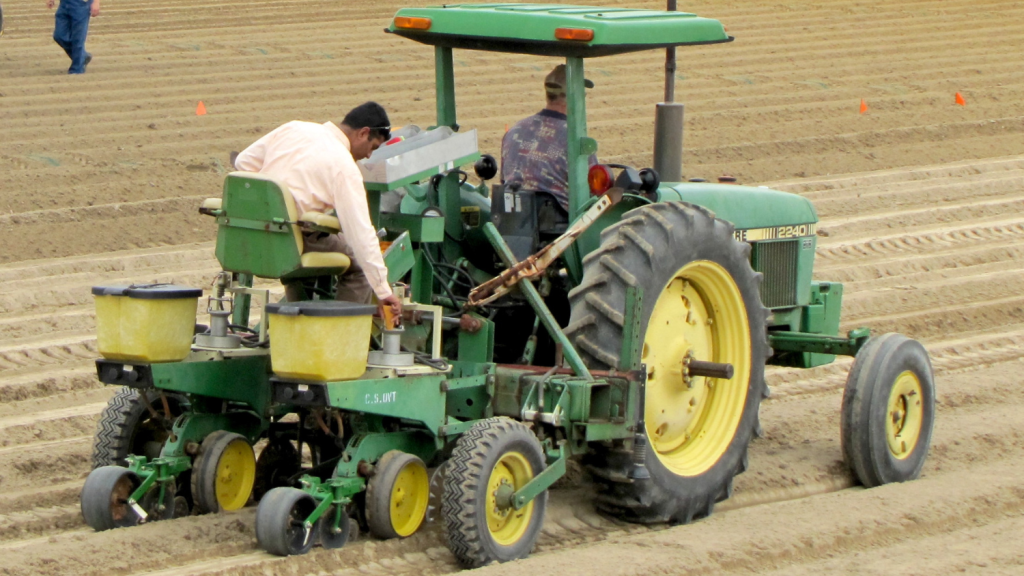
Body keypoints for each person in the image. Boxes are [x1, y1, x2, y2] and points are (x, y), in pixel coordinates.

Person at [233, 102, 402, 318]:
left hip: (254, 233)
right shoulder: (344, 167)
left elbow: (243, 162)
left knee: (300, 254)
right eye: (373, 147)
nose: (369, 155)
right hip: (292, 242)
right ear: (363, 133)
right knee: (359, 266)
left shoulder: (294, 128)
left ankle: (297, 325)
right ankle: (337, 336)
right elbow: (360, 234)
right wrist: (383, 290)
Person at [500, 64, 597, 212]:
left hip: (511, 220)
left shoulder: (515, 130)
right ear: (574, 96)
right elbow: (593, 191)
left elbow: (504, 180)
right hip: (560, 227)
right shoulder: (573, 138)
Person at [48, 0, 99, 75]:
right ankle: (83, 56)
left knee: (78, 39)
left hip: (80, 4)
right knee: (59, 36)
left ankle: (77, 69)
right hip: (64, 4)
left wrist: (96, 2)